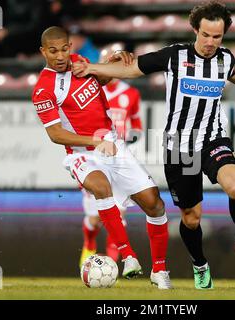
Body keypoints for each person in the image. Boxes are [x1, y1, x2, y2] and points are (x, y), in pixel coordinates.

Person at [72, 1, 235, 290]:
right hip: (179, 145)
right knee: (192, 219)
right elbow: (132, 70)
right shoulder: (174, 56)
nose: (210, 42)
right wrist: (90, 66)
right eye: (205, 35)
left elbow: (234, 73)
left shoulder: (224, 59)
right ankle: (200, 264)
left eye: (217, 37)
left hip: (213, 138)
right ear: (195, 29)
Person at [31, 26, 172, 289]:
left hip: (112, 143)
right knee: (100, 187)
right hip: (82, 153)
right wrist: (94, 142)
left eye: (64, 49)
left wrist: (113, 63)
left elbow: (102, 81)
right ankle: (128, 256)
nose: (60, 56)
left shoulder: (79, 63)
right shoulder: (43, 89)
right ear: (43, 52)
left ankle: (160, 270)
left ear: (70, 46)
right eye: (53, 51)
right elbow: (56, 134)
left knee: (155, 204)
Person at [79, 50, 144, 267]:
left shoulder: (131, 94)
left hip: (117, 157)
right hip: (93, 157)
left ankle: (112, 264)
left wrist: (130, 138)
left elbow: (136, 125)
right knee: (96, 218)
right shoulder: (89, 90)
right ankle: (89, 244)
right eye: (110, 61)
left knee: (118, 214)